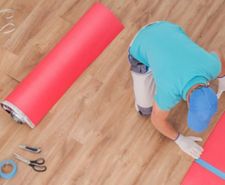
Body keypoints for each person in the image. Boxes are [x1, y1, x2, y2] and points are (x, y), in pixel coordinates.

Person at [128, 21, 225, 159]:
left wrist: (223, 79)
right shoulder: (169, 92)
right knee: (145, 111)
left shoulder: (212, 66)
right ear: (188, 102)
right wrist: (180, 139)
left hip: (168, 27)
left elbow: (218, 55)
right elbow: (156, 120)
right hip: (140, 44)